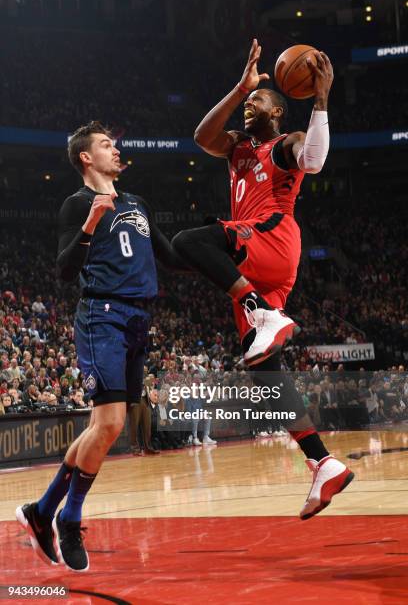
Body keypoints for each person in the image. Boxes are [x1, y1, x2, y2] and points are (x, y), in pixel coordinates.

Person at [172, 39, 353, 519]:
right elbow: (201, 137)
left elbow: (314, 161)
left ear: (278, 111)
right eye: (249, 103)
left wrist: (320, 99)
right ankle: (323, 461)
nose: (251, 106)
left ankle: (261, 310)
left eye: (258, 101)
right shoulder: (236, 148)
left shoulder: (284, 144)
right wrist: (240, 86)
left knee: (191, 241)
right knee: (265, 375)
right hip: (255, 260)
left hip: (272, 236)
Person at [16, 120, 186, 572]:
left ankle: (42, 510)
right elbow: (65, 270)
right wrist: (90, 223)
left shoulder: (137, 203)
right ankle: (68, 519)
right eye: (107, 145)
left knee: (105, 427)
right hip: (102, 315)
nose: (116, 150)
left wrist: (223, 246)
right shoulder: (75, 205)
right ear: (86, 158)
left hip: (138, 319)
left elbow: (169, 255)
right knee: (109, 425)